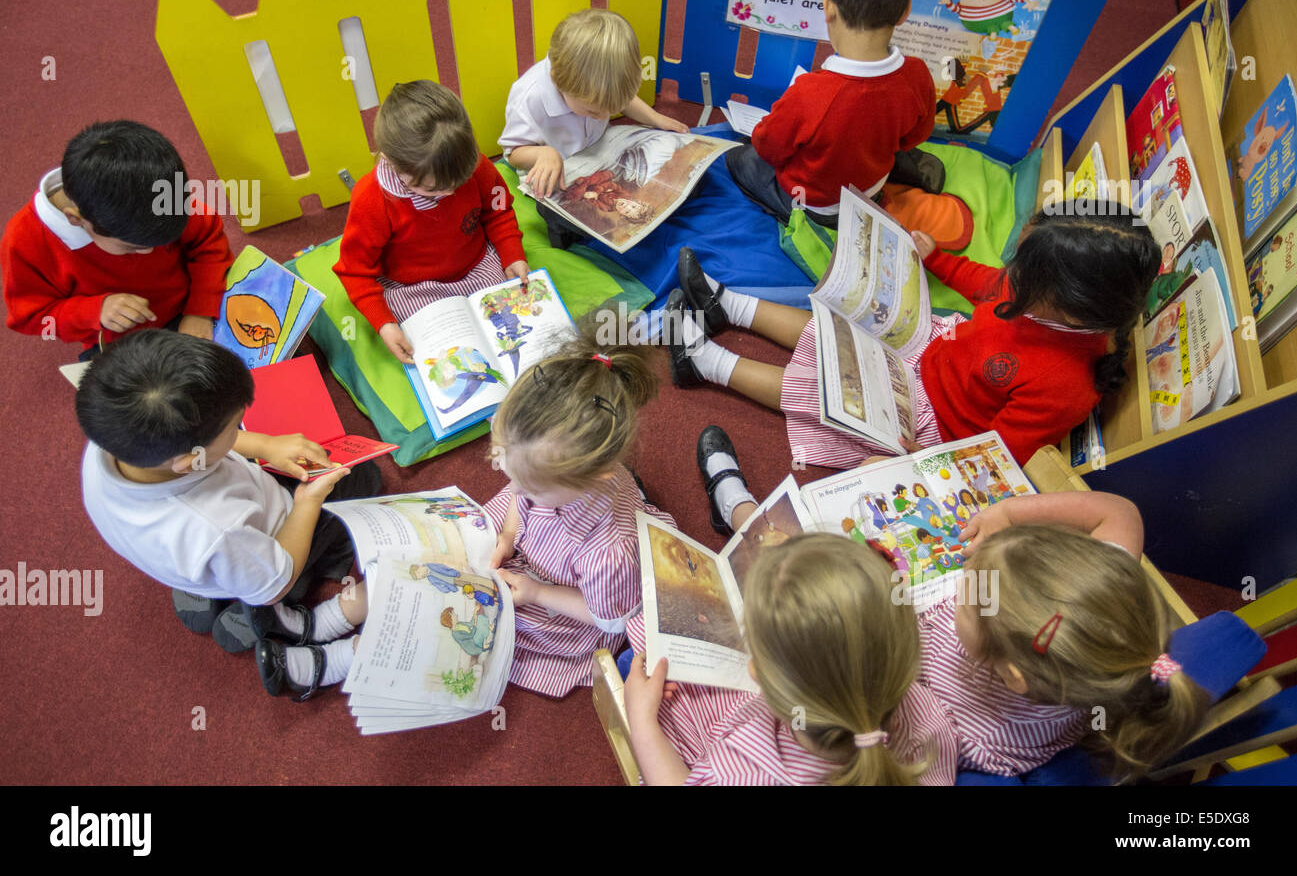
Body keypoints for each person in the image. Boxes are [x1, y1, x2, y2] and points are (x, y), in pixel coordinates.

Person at [669, 206, 1161, 467]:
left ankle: (705, 364)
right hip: (935, 352)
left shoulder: (1067, 384)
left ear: (1074, 306)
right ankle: (726, 306)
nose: (1013, 277)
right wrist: (935, 258)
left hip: (934, 427)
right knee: (836, 326)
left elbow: (998, 455)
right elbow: (987, 281)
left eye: (1025, 274)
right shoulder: (1041, 289)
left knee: (819, 391)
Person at [76, 329, 378, 697]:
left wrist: (265, 444)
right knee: (362, 476)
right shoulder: (216, 528)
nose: (239, 430)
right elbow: (278, 576)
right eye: (234, 427)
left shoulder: (110, 445)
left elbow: (204, 454)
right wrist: (307, 503)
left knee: (224, 561)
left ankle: (211, 590)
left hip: (183, 553)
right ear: (191, 461)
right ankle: (265, 606)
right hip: (266, 550)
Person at [623, 529, 957, 786]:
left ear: (758, 674)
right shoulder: (931, 725)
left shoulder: (740, 769)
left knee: (642, 648)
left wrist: (642, 725)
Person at [920, 491, 1209, 779]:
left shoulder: (977, 733)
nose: (958, 588)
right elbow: (1121, 511)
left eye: (965, 604)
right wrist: (1008, 513)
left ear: (1011, 675)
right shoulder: (1105, 591)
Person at [480, 330, 668, 697]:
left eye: (529, 487)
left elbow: (609, 621)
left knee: (500, 632)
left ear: (594, 476)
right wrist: (507, 535)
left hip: (571, 594)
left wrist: (536, 593)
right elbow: (518, 500)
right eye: (508, 471)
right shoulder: (535, 462)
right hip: (547, 539)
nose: (515, 492)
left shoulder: (606, 554)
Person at [725, 0, 939, 227]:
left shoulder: (809, 93)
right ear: (905, 11)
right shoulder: (918, 75)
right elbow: (914, 137)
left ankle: (794, 217)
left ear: (827, 7)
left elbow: (768, 146)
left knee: (740, 161)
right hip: (871, 190)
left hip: (813, 203)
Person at [333, 80, 528, 363]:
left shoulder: (476, 165)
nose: (449, 193)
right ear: (392, 163)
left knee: (513, 320)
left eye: (457, 183)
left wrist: (511, 254)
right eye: (433, 189)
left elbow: (498, 210)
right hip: (413, 288)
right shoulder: (371, 200)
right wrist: (384, 324)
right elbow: (355, 271)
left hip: (477, 266)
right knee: (439, 350)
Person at [2, 120, 233, 358]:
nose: (150, 253)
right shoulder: (24, 242)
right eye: (135, 247)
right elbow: (32, 318)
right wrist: (94, 311)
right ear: (76, 219)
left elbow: (208, 241)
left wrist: (199, 310)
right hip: (121, 340)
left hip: (194, 303)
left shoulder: (158, 193)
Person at [497, 8, 687, 247]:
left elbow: (623, 100)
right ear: (558, 82)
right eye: (594, 111)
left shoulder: (594, 88)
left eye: (610, 108)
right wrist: (544, 154)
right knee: (572, 223)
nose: (605, 115)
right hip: (554, 170)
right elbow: (513, 153)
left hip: (596, 152)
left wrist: (655, 118)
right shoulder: (529, 97)